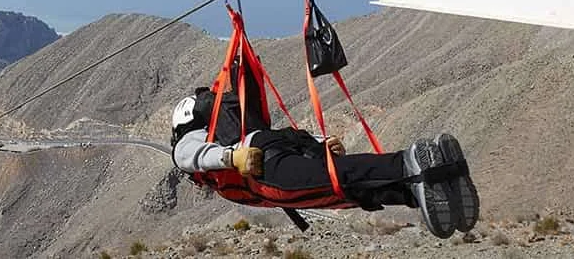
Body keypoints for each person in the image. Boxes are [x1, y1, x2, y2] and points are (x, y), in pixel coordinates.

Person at [168, 75, 479, 238]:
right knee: (347, 189)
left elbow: (187, 157)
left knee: (338, 180)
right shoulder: (227, 127)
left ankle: (408, 163)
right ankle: (428, 183)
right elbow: (278, 137)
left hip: (264, 168)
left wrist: (231, 158)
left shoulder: (192, 137)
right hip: (280, 143)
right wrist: (317, 143)